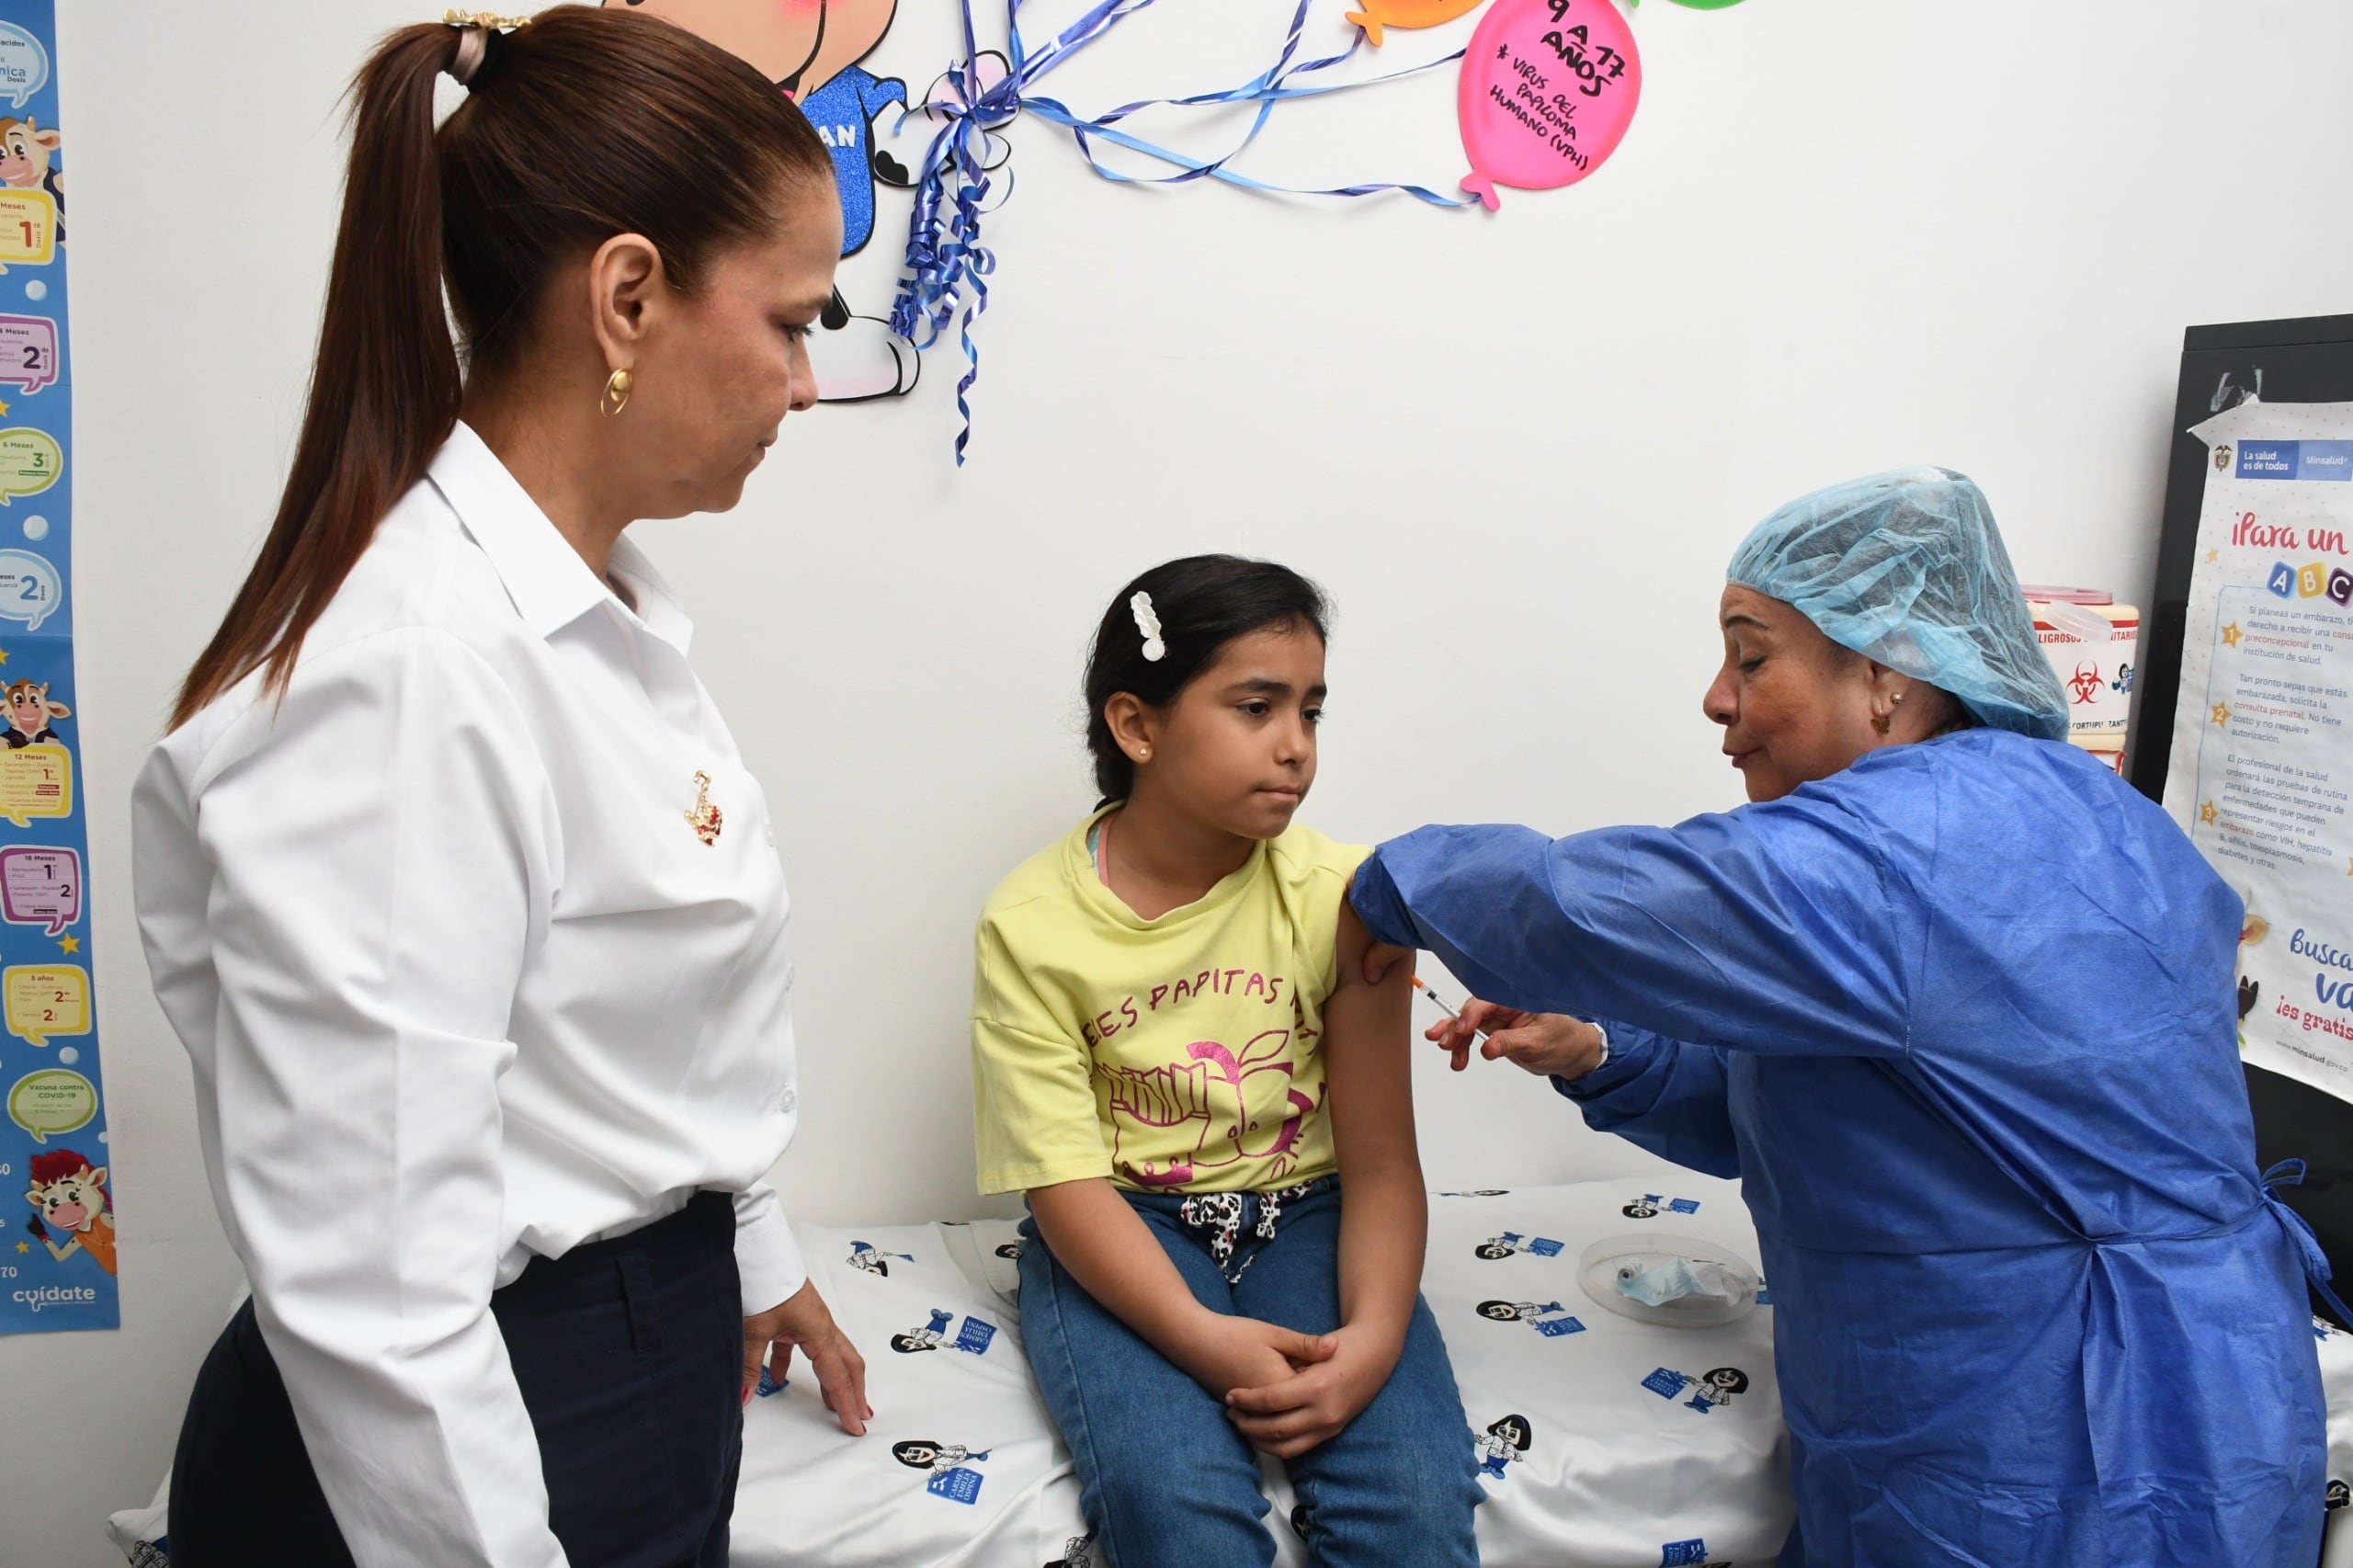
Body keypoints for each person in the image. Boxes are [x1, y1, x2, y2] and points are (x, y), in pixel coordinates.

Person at [131, 11, 870, 1566]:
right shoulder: (412, 674)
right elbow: (382, 1294)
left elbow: (628, 1047)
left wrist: (743, 1251)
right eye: (797, 321)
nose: (805, 384)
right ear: (626, 295)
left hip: (628, 1358)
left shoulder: (598, 627)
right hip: (495, 1413)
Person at [1350, 468, 2331, 1565]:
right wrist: (1594, 1047)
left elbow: (1587, 905)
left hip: (2079, 1450)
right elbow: (1834, 1105)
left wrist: (1377, 880)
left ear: (1881, 672)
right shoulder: (2076, 810)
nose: (1716, 697)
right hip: (2191, 1392)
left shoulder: (1917, 842)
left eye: (1752, 654)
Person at [969, 557, 1481, 1567]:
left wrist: (1372, 1340)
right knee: (1175, 1511)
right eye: (1256, 706)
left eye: (1312, 711)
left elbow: (1379, 1163)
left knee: (1415, 1506)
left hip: (1312, 1213)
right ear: (1137, 725)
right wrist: (1203, 1336)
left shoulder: (1349, 898)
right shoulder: (1029, 925)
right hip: (1121, 1230)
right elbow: (1064, 1181)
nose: (1296, 747)